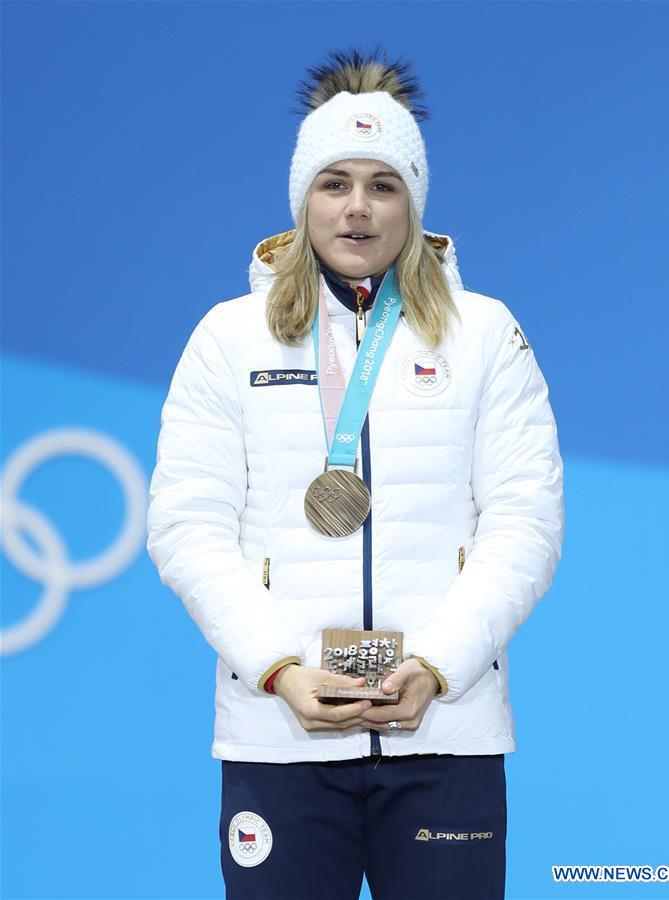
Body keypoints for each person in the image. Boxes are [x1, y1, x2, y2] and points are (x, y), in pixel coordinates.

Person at [146, 47, 564, 900]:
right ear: (302, 197)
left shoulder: (486, 336)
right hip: (280, 734)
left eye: (385, 184)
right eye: (335, 182)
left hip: (445, 733)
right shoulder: (228, 338)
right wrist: (281, 669)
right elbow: (188, 526)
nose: (359, 208)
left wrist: (439, 666)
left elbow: (526, 522)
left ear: (416, 200)